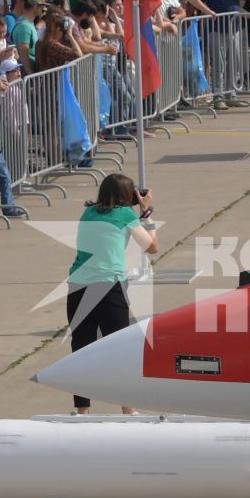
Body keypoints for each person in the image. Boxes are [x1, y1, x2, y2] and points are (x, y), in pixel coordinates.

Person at [64, 174, 157, 415]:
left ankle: (81, 410)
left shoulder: (88, 213)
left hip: (77, 285)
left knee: (82, 348)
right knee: (118, 349)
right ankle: (128, 408)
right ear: (128, 196)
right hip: (108, 286)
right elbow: (153, 247)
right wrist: (147, 213)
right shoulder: (126, 215)